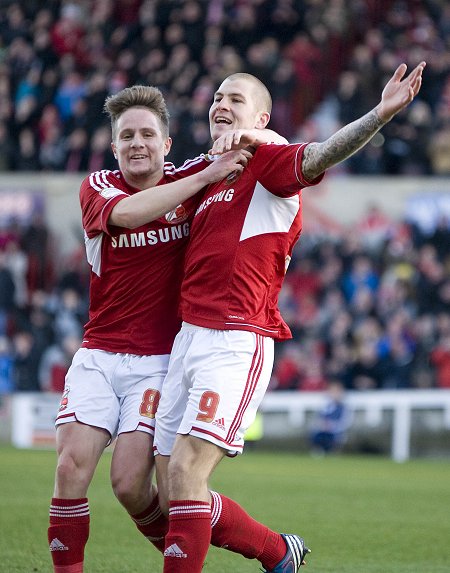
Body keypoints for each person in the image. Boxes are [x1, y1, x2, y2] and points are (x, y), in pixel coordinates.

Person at [154, 61, 426, 573]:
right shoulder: (208, 174)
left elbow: (323, 153)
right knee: (169, 490)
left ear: (261, 117)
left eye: (235, 99)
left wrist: (381, 113)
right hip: (188, 337)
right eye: (216, 96)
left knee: (189, 472)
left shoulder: (268, 160)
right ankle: (279, 553)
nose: (220, 104)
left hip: (237, 337)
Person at [46, 84, 256, 573]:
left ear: (167, 143)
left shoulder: (196, 176)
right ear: (114, 147)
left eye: (146, 134)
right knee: (68, 467)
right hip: (98, 353)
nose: (136, 143)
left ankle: (265, 547)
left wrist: (233, 135)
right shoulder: (99, 187)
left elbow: (259, 143)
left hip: (160, 362)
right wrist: (207, 174)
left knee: (130, 485)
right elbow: (128, 214)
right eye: (126, 136)